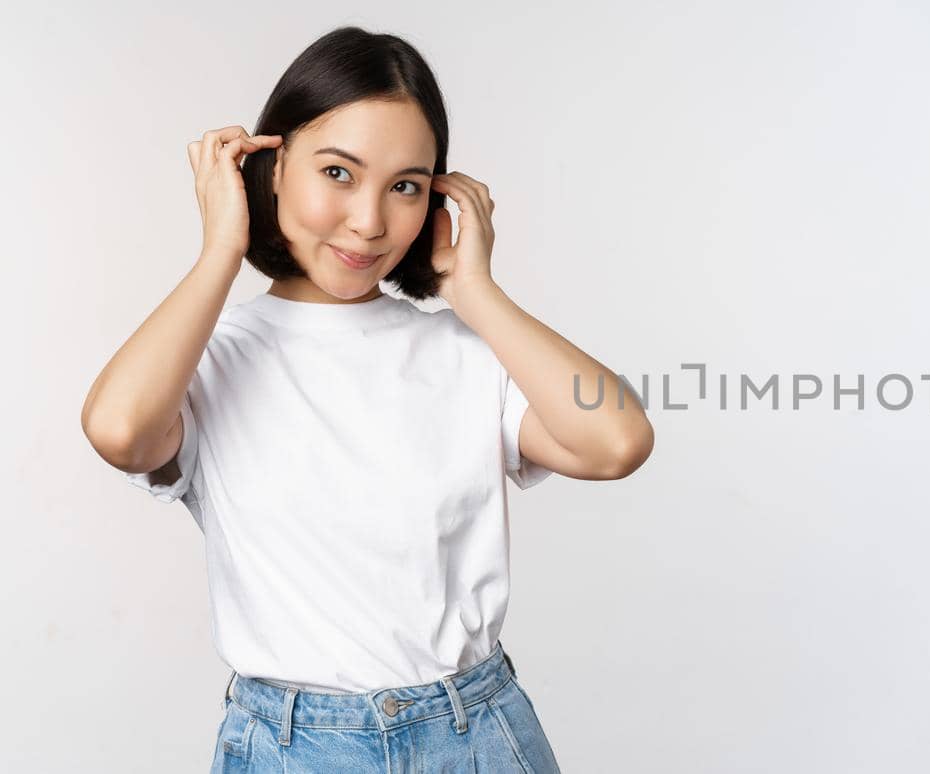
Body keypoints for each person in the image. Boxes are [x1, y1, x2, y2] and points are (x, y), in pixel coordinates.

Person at [79, 26, 653, 773]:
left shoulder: (464, 352)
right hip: (291, 749)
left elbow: (617, 442)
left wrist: (475, 291)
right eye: (338, 173)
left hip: (475, 736)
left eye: (406, 186)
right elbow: (120, 430)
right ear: (275, 164)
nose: (371, 221)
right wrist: (222, 245)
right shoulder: (210, 359)